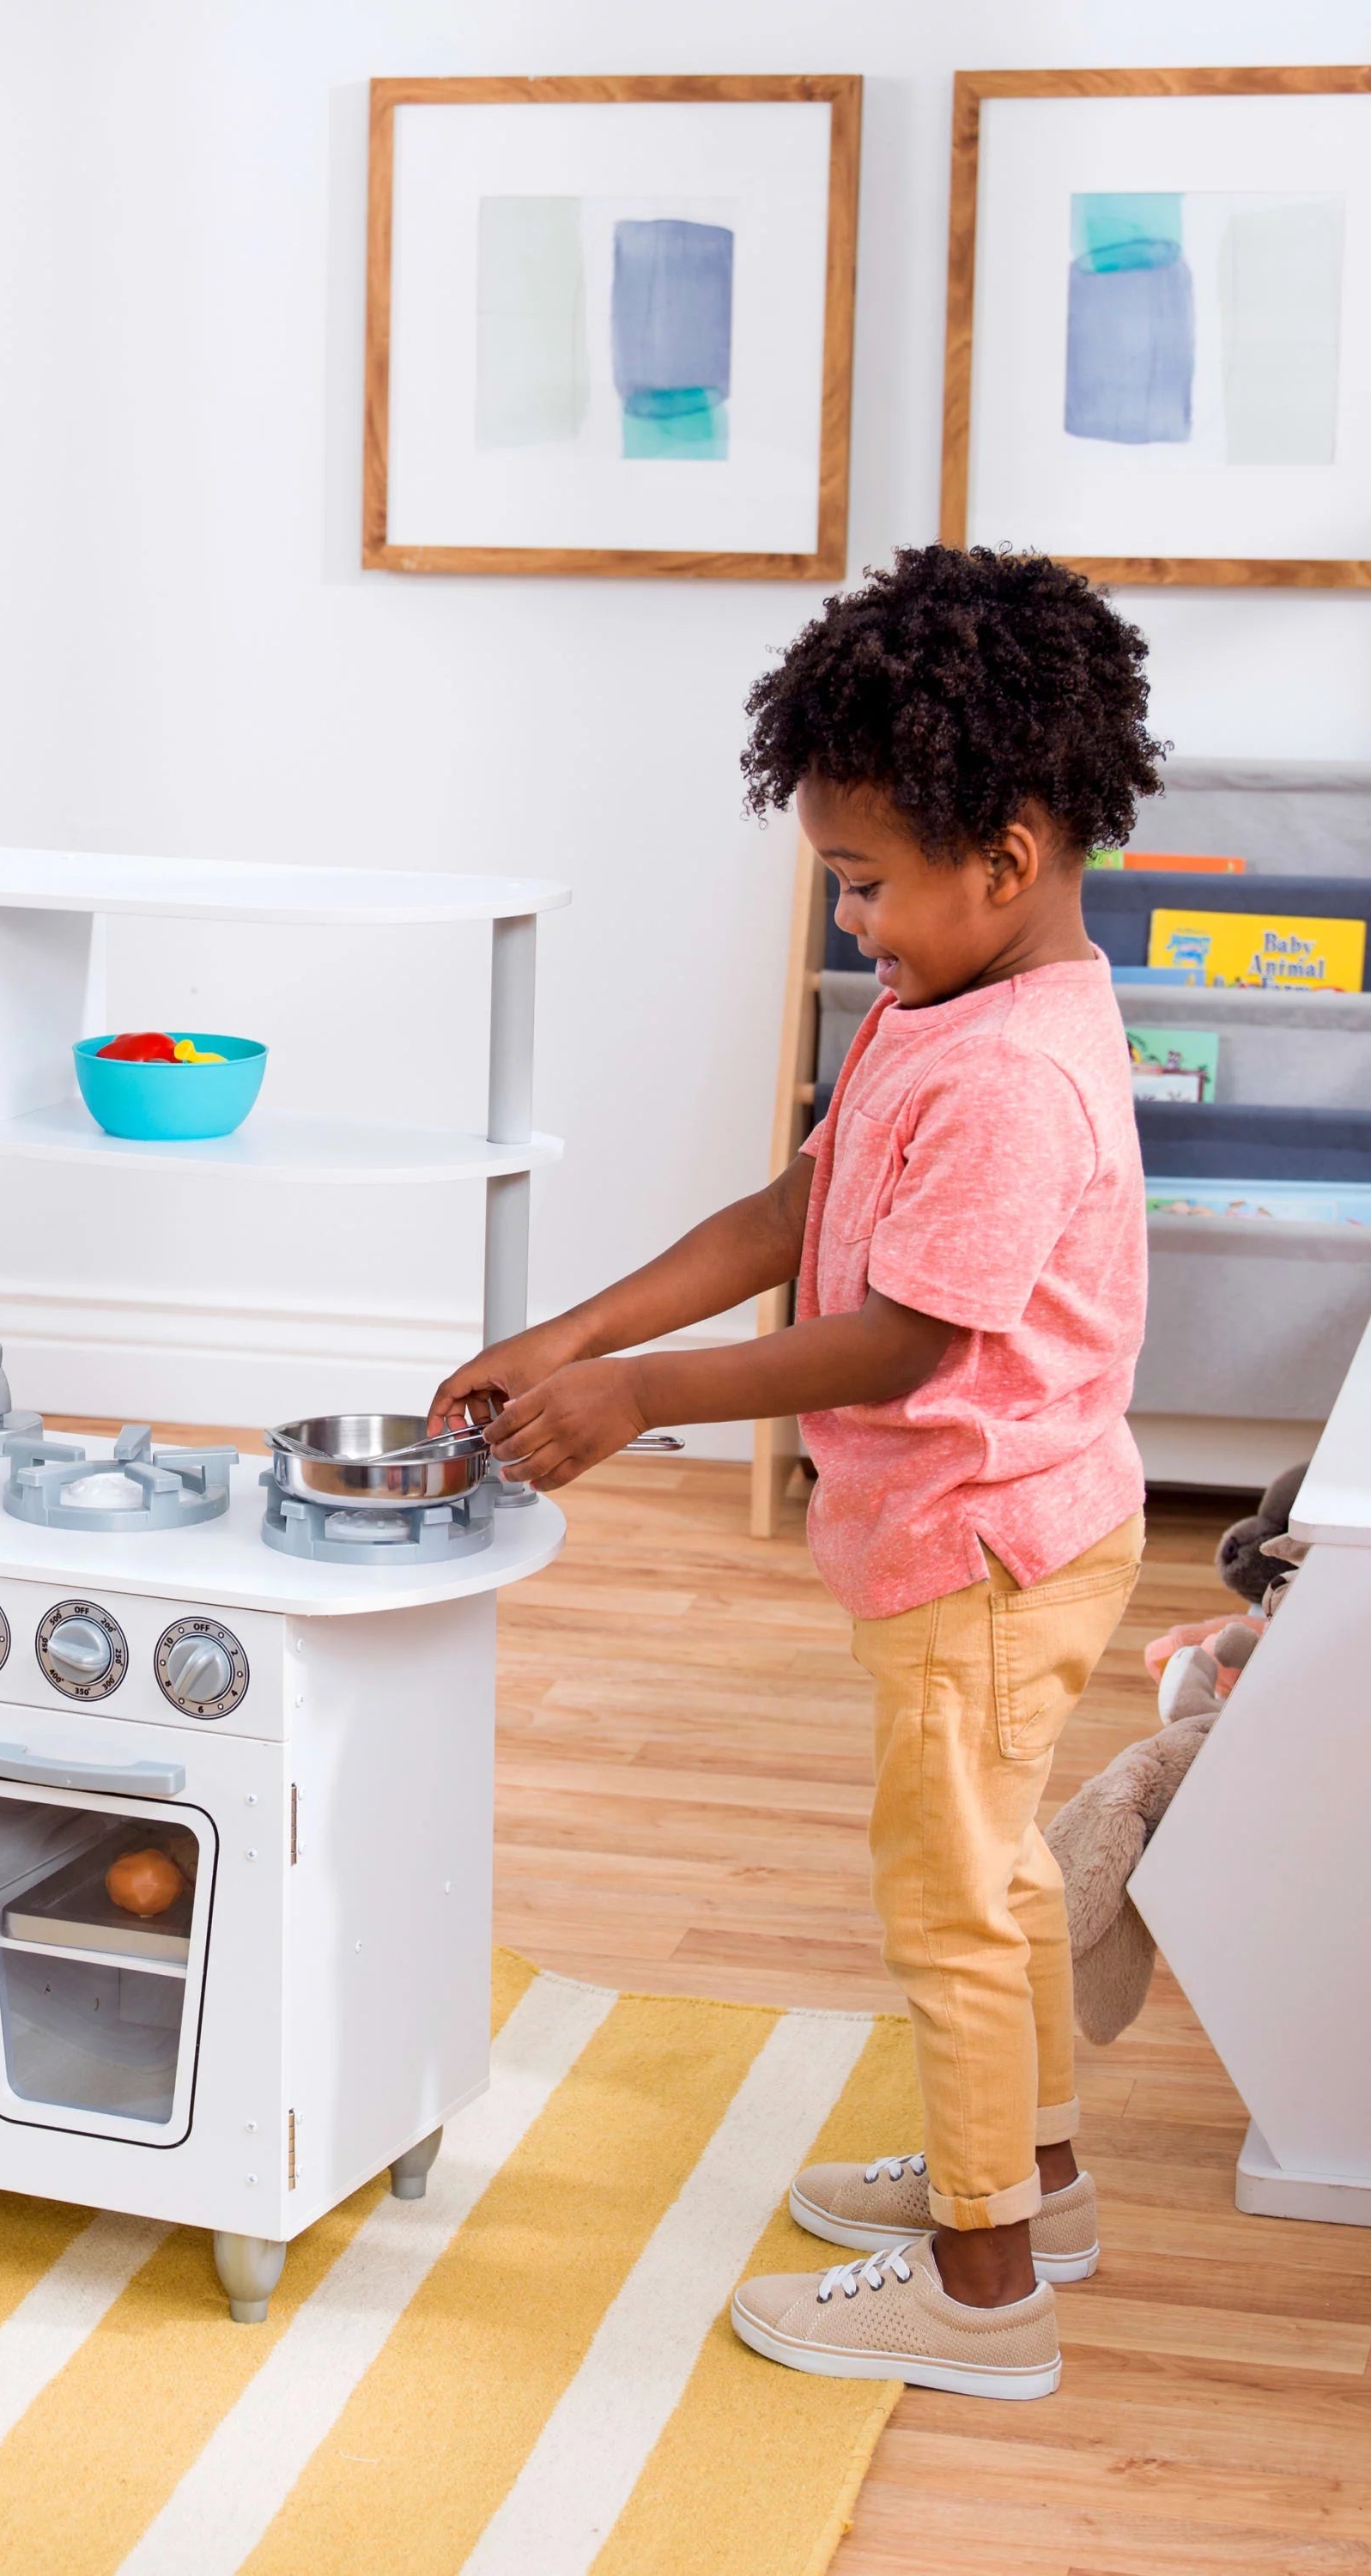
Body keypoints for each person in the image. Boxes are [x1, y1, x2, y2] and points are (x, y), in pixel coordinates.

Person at [432, 544, 1159, 2403]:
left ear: (1004, 852)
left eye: (866, 884)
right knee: (992, 1889)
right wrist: (569, 1343)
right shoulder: (946, 1012)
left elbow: (911, 1337)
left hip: (983, 1547)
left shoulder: (1013, 1076)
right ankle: (1036, 2187)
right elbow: (796, 1207)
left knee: (952, 1902)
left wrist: (643, 1399)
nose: (851, 925)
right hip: (990, 1532)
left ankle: (985, 2289)